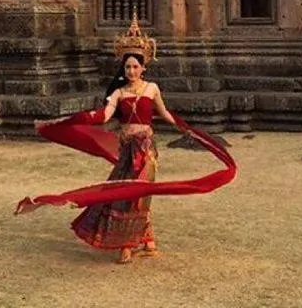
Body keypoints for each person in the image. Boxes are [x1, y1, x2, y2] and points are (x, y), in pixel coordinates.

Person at [16, 17, 237, 265]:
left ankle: (129, 244)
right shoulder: (118, 94)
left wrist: (189, 131)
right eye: (127, 67)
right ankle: (143, 241)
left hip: (146, 150)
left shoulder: (152, 89)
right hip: (127, 150)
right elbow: (104, 117)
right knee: (121, 193)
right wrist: (69, 121)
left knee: (139, 193)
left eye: (135, 67)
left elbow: (164, 114)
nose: (131, 71)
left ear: (144, 67)